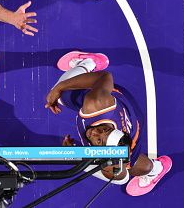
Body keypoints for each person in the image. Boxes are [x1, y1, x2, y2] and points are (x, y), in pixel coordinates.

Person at [44, 51, 172, 196]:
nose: (94, 132)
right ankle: (88, 63)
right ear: (109, 128)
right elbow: (105, 76)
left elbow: (119, 176)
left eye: (98, 140)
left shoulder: (124, 152)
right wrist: (59, 88)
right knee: (59, 94)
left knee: (129, 171)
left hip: (134, 125)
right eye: (103, 130)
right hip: (114, 98)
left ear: (105, 152)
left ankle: (157, 169)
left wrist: (74, 154)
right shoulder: (96, 103)